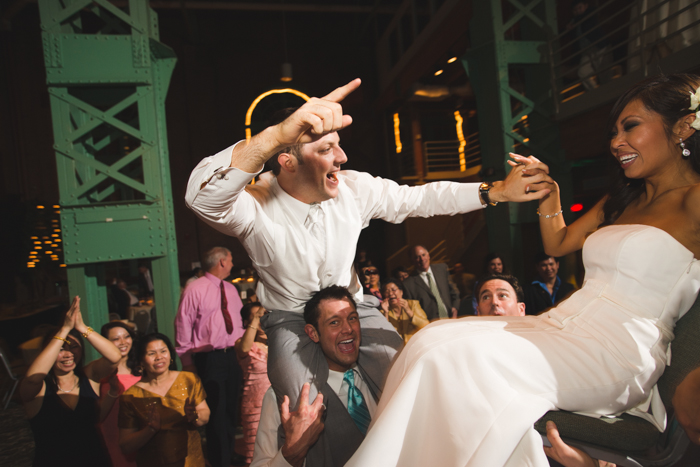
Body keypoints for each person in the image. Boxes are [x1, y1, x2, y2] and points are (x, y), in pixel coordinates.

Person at [344, 73, 700, 467]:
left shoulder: (695, 200)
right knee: (430, 340)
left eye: (630, 126)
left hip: (616, 352)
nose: (617, 142)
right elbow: (558, 243)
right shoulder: (623, 199)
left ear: (684, 126)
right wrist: (551, 194)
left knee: (453, 359)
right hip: (564, 326)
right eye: (614, 132)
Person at [184, 78, 551, 416]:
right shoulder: (254, 203)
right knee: (304, 411)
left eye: (338, 145)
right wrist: (276, 136)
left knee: (408, 383)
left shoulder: (353, 188)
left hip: (355, 305)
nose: (342, 157)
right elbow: (200, 199)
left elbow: (420, 199)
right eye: (327, 148)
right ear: (287, 161)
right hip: (292, 320)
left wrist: (497, 191)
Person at [251, 286, 386, 467]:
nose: (348, 329)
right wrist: (291, 453)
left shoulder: (380, 377)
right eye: (334, 322)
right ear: (313, 333)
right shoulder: (286, 397)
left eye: (352, 318)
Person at [20, 296, 122, 467]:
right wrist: (63, 330)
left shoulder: (89, 375)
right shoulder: (40, 387)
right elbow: (32, 379)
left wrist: (82, 327)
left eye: (74, 347)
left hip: (94, 461)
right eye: (61, 349)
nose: (69, 354)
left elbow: (114, 357)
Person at [174, 246, 245, 467]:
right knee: (216, 411)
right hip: (209, 358)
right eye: (230, 260)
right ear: (222, 262)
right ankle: (219, 460)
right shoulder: (194, 289)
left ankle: (229, 454)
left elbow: (239, 324)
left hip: (232, 356)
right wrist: (187, 362)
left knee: (231, 408)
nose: (232, 264)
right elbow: (183, 325)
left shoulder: (231, 289)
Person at [119, 333, 210, 467]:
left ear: (170, 355)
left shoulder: (188, 379)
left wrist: (194, 416)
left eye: (163, 351)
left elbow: (205, 414)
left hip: (190, 460)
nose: (159, 357)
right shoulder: (131, 396)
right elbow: (125, 446)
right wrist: (150, 429)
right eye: (151, 353)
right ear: (141, 361)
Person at [99, 322, 141, 467]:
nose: (123, 342)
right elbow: (95, 415)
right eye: (116, 339)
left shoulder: (142, 369)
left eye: (126, 336)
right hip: (113, 439)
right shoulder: (99, 373)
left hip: (143, 439)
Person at [234, 302, 271, 465]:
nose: (262, 320)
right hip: (256, 406)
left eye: (265, 316)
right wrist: (256, 317)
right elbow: (244, 349)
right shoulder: (243, 345)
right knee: (257, 453)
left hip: (281, 403)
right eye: (257, 317)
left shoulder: (277, 342)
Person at [402, 245, 460, 320]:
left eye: (423, 255)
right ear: (411, 261)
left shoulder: (442, 269)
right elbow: (412, 310)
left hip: (451, 318)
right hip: (429, 323)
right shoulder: (408, 284)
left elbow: (454, 292)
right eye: (417, 257)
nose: (422, 259)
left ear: (428, 256)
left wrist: (455, 309)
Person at [379, 278, 429, 343]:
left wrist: (408, 311)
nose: (390, 293)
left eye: (394, 290)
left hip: (415, 344)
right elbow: (382, 334)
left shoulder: (413, 304)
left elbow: (426, 325)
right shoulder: (383, 311)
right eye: (387, 291)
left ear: (401, 292)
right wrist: (386, 313)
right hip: (396, 347)